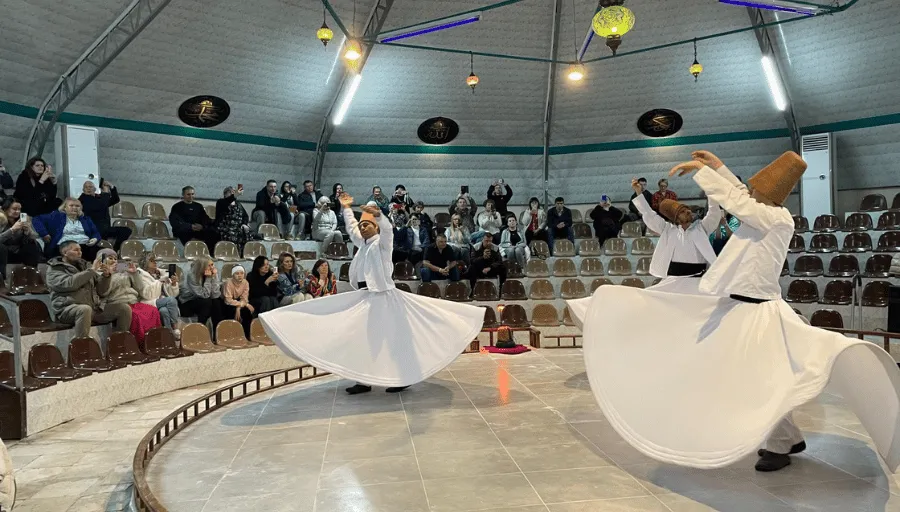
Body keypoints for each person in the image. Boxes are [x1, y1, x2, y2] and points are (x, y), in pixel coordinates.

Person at [572, 150, 900, 476]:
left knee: (759, 379)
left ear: (767, 196)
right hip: (741, 306)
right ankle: (786, 438)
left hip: (759, 312)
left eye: (757, 189)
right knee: (755, 376)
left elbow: (739, 202)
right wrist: (717, 166)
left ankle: (781, 441)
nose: (750, 191)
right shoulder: (763, 212)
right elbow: (742, 196)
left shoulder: (776, 218)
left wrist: (704, 172)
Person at [258, 195, 484, 396]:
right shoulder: (363, 244)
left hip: (385, 298)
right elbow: (352, 228)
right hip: (366, 297)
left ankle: (401, 378)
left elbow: (387, 231)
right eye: (362, 224)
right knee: (363, 340)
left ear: (375, 228)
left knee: (394, 341)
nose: (363, 228)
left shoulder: (382, 244)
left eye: (368, 225)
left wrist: (381, 216)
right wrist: (346, 208)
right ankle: (364, 380)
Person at [630, 179, 720, 279]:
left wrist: (711, 191)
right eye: (683, 211)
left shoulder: (702, 227)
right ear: (676, 218)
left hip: (698, 277)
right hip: (673, 278)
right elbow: (649, 214)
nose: (688, 212)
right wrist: (638, 192)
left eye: (687, 210)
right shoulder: (668, 229)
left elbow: (714, 213)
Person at [46, 241, 132, 338]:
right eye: (76, 250)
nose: (80, 252)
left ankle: (118, 345)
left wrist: (106, 276)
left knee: (124, 309)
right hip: (67, 310)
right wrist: (92, 270)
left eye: (80, 250)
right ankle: (82, 349)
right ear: (64, 253)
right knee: (85, 309)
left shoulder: (85, 266)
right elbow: (70, 284)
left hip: (93, 308)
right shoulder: (54, 269)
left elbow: (102, 292)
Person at [96, 249, 160, 345]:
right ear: (102, 260)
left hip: (133, 302)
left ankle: (154, 344)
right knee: (136, 316)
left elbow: (140, 288)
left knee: (153, 310)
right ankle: (137, 346)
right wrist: (108, 274)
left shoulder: (124, 271)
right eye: (110, 258)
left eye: (115, 258)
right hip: (116, 303)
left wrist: (134, 273)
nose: (114, 261)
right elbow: (103, 293)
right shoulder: (99, 274)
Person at [33, 197, 103, 261]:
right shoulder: (56, 216)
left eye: (77, 206)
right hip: (64, 248)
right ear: (65, 208)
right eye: (71, 205)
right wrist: (43, 233)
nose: (74, 208)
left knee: (103, 254)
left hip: (85, 247)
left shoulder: (86, 219)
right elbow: (36, 219)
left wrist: (95, 239)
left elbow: (96, 233)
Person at [137, 253, 181, 336]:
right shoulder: (140, 275)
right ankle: (175, 327)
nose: (155, 262)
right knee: (171, 301)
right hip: (148, 301)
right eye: (151, 260)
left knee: (163, 311)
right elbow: (146, 294)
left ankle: (169, 335)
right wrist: (160, 281)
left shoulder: (161, 273)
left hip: (162, 301)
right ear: (145, 263)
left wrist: (173, 284)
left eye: (155, 260)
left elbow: (172, 294)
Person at [79, 180, 130, 251]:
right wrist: (106, 192)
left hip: (105, 228)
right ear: (83, 190)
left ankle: (115, 249)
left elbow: (115, 199)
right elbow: (101, 204)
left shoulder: (99, 198)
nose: (88, 188)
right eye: (86, 187)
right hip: (94, 230)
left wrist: (112, 187)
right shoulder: (83, 198)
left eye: (90, 186)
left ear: (95, 189)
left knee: (126, 231)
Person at [178, 257, 224, 336]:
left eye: (212, 264)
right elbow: (204, 295)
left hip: (202, 302)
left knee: (216, 302)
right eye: (209, 265)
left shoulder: (211, 272)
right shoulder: (192, 275)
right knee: (207, 301)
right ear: (202, 266)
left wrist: (214, 277)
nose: (212, 267)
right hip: (187, 303)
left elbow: (215, 294)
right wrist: (209, 278)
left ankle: (217, 334)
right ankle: (199, 332)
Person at [0, 197, 42, 278]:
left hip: (19, 251)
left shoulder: (23, 220)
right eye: (14, 209)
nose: (18, 212)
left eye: (19, 209)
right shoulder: (1, 220)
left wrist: (28, 231)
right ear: (5, 209)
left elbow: (36, 237)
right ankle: (3, 278)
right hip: (4, 252)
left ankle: (32, 276)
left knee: (32, 244)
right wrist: (12, 230)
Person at [169, 186, 218, 253]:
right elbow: (175, 222)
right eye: (188, 194)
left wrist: (202, 226)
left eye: (192, 194)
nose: (191, 196)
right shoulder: (177, 207)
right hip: (185, 230)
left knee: (213, 232)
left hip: (198, 230)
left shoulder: (198, 206)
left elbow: (205, 219)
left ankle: (209, 254)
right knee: (183, 231)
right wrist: (190, 226)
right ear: (183, 195)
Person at [215, 185, 251, 252]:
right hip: (225, 227)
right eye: (231, 192)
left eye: (234, 192)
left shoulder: (238, 204)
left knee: (247, 233)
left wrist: (244, 224)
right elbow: (228, 201)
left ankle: (243, 255)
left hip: (238, 227)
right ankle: (232, 253)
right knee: (232, 234)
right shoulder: (221, 202)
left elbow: (245, 216)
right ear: (225, 194)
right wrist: (234, 196)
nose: (233, 194)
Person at [221, 265, 253, 337]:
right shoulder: (228, 283)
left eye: (242, 273)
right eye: (237, 273)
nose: (240, 275)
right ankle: (233, 335)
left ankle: (246, 335)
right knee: (232, 312)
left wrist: (239, 307)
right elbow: (228, 300)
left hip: (239, 303)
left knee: (246, 312)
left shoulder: (245, 283)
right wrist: (243, 304)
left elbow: (244, 298)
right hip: (226, 303)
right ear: (233, 275)